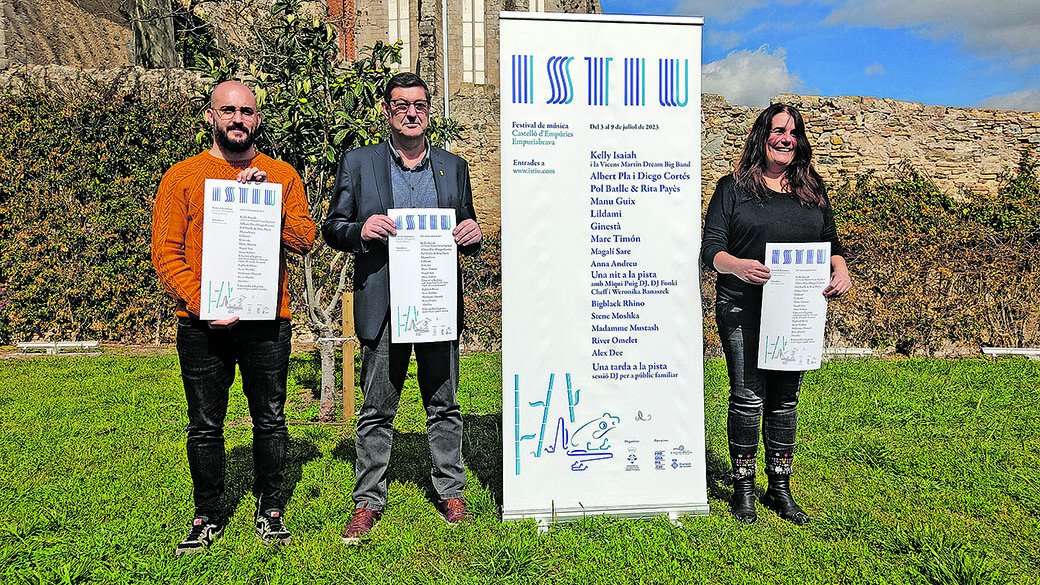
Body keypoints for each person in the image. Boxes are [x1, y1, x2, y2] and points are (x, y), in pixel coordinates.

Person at [152, 80, 316, 556]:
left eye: (246, 111)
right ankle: (207, 514)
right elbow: (166, 253)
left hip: (267, 321)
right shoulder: (182, 176)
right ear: (211, 117)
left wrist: (267, 207)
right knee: (205, 424)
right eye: (228, 110)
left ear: (257, 119)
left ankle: (271, 509)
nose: (238, 119)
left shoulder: (281, 175)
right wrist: (205, 304)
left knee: (270, 419)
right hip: (202, 325)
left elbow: (305, 240)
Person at [322, 72, 482, 544]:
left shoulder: (453, 167)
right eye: (401, 105)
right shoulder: (359, 163)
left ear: (429, 110)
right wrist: (360, 230)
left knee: (444, 404)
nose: (412, 113)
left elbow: (466, 225)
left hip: (435, 303)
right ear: (387, 111)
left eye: (419, 104)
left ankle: (451, 492)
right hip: (384, 304)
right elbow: (332, 226)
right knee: (376, 408)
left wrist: (473, 233)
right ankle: (368, 501)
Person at [700, 103, 852, 525]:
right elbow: (711, 249)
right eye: (778, 130)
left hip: (794, 311)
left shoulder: (812, 189)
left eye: (793, 132)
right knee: (748, 398)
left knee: (785, 400)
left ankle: (779, 489)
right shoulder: (732, 187)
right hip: (742, 306)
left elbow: (831, 242)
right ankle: (744, 489)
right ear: (761, 136)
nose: (786, 139)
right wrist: (737, 266)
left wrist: (840, 270)